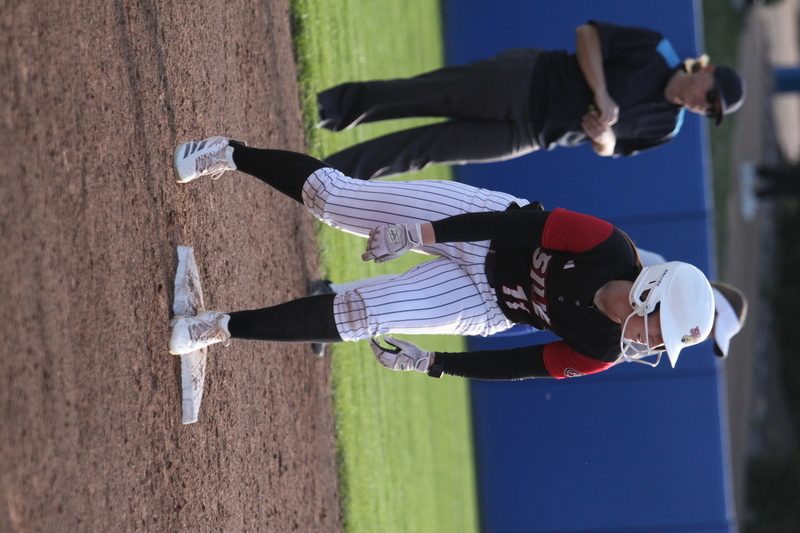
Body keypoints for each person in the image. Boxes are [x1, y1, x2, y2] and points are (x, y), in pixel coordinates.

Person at [168, 136, 715, 380]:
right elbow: (511, 223)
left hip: (491, 304)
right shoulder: (607, 247)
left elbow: (517, 366)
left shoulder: (601, 350)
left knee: (363, 315)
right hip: (488, 231)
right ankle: (229, 153)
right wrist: (417, 232)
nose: (649, 340)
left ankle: (216, 328)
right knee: (336, 201)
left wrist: (433, 363)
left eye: (659, 342)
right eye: (658, 326)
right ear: (653, 290)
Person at [316, 20, 746, 180]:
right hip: (524, 81)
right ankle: (331, 109)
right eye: (710, 98)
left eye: (711, 112)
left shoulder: (666, 128)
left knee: (426, 151)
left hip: (533, 135)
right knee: (421, 94)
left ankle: (326, 178)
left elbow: (614, 150)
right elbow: (586, 34)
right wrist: (601, 93)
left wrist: (603, 137)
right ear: (705, 72)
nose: (703, 107)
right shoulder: (656, 50)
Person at [307, 246, 747, 358]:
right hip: (546, 299)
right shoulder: (659, 278)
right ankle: (338, 300)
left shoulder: (668, 317)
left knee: (434, 303)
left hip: (554, 319)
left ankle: (339, 300)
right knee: (437, 300)